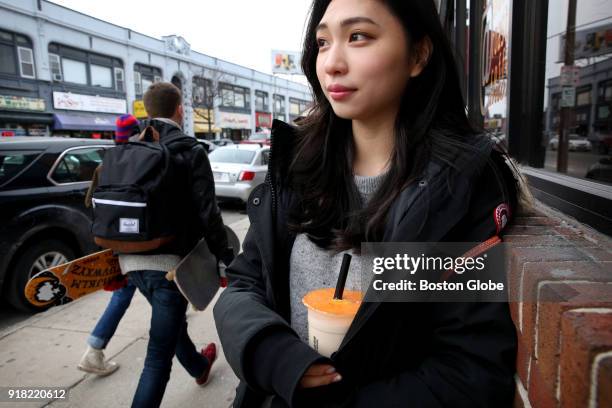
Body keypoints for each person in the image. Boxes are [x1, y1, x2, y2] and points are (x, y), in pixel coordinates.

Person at [213, 0, 529, 407]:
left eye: (358, 36)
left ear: (418, 55)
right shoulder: (298, 169)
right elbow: (244, 284)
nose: (332, 64)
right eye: (323, 42)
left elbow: (469, 370)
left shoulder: (460, 185)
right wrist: (270, 353)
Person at [122, 82, 234, 408]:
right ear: (180, 110)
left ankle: (199, 366)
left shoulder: (130, 148)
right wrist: (223, 256)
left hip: (131, 263)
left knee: (168, 323)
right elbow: (207, 211)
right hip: (170, 268)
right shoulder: (190, 150)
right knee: (157, 358)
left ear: (146, 110)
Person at [78, 114, 141, 376]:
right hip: (141, 244)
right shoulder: (142, 163)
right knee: (151, 298)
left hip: (114, 245)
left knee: (124, 294)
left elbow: (88, 203)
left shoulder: (105, 166)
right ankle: (93, 350)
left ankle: (94, 349)